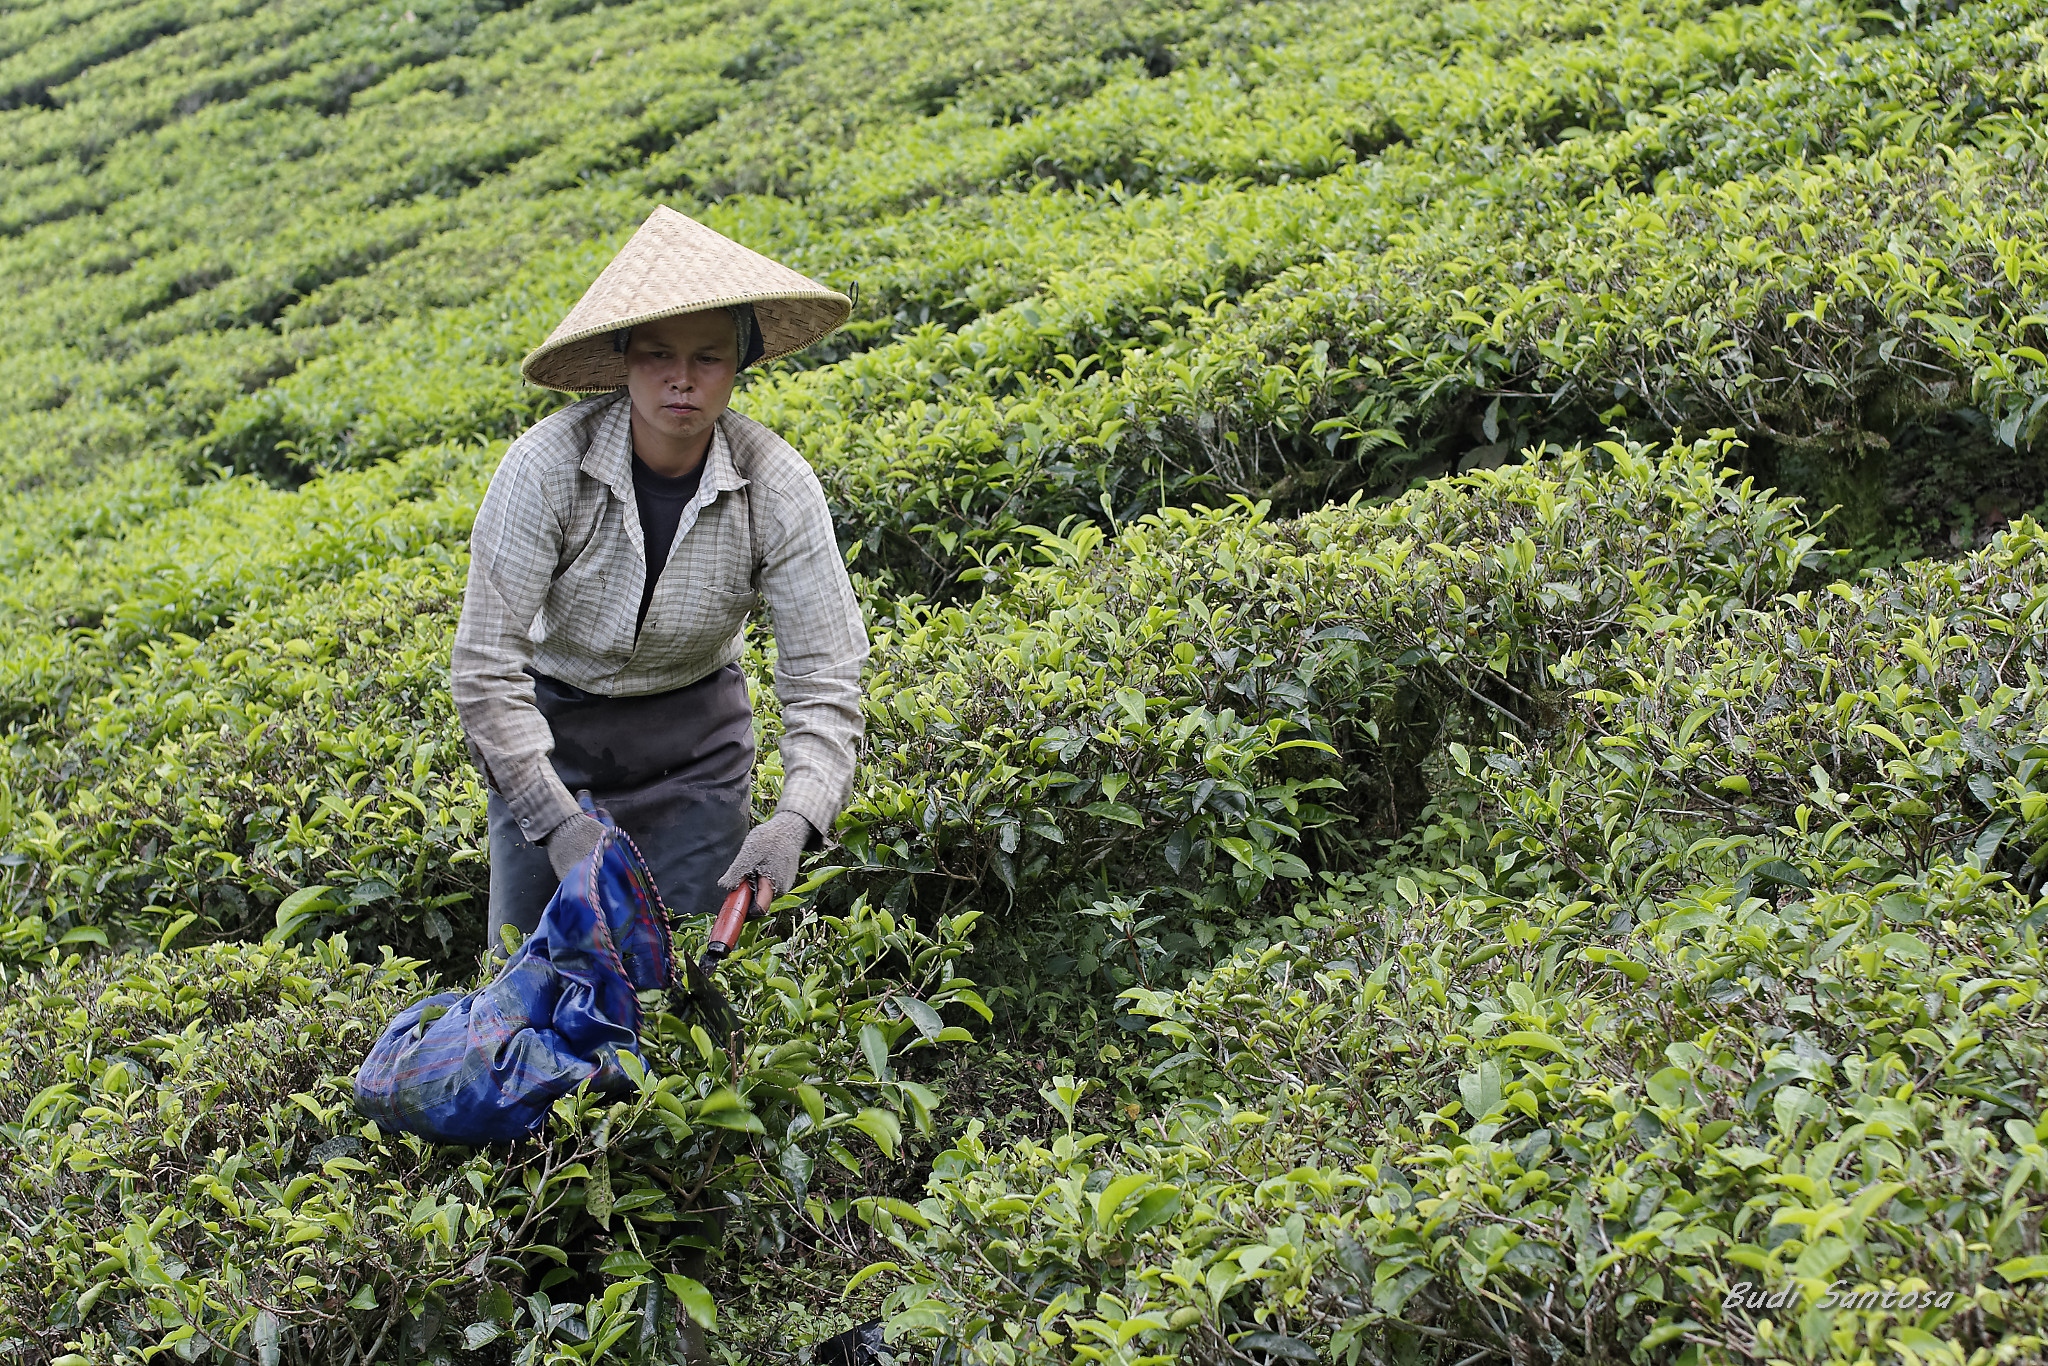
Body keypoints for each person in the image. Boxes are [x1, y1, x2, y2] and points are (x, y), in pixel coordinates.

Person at [452, 204, 869, 958]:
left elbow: (827, 674)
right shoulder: (546, 469)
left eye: (708, 357)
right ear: (623, 361)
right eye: (657, 356)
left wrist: (795, 820)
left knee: (679, 983)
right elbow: (485, 671)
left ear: (738, 364)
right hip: (553, 743)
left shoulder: (775, 485)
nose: (682, 380)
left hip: (696, 753)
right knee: (530, 981)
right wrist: (552, 817)